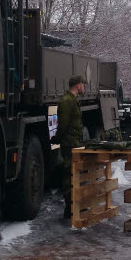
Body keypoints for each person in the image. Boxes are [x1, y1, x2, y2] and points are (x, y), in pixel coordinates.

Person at [55, 75, 86, 219]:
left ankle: (73, 206)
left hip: (74, 142)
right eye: (82, 85)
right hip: (69, 144)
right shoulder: (67, 101)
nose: (84, 87)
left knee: (74, 173)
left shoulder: (72, 100)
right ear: (78, 86)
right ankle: (69, 208)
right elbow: (63, 124)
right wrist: (57, 138)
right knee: (69, 175)